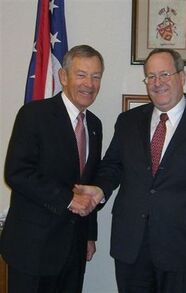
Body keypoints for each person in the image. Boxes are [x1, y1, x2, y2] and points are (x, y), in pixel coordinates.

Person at [75, 48, 186, 292]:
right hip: (132, 248)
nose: (157, 82)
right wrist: (100, 189)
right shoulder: (128, 121)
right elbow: (113, 166)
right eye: (150, 76)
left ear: (182, 77)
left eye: (164, 74)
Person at [0, 45, 104, 293]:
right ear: (63, 77)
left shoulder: (95, 125)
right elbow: (17, 172)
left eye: (96, 76)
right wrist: (68, 199)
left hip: (73, 250)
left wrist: (89, 234)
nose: (89, 83)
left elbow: (88, 181)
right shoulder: (34, 115)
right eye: (81, 74)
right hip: (32, 248)